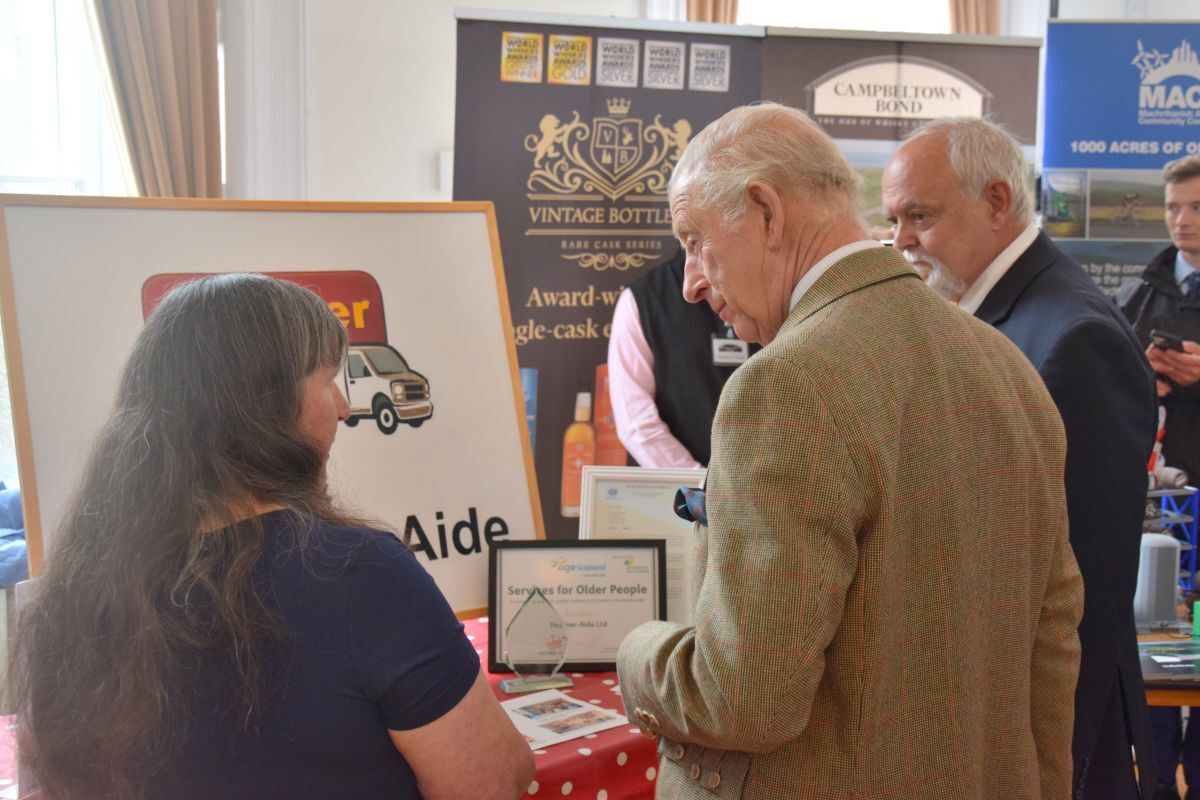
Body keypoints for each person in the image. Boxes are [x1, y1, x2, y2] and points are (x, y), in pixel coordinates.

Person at [615, 102, 1083, 799]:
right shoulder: (1005, 364)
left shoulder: (781, 387)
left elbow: (743, 698)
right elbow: (1051, 647)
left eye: (695, 239)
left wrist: (634, 652)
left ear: (765, 212)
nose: (689, 281)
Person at [9, 275, 534, 800]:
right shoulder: (362, 575)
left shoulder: (70, 594)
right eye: (329, 379)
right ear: (267, 405)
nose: (345, 407)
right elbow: (493, 783)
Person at [882, 117, 1158, 800]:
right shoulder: (990, 314)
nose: (901, 242)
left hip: (1047, 740)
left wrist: (1048, 762)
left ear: (998, 202)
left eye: (919, 216)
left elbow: (1085, 579)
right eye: (892, 219)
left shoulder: (1073, 337)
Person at [1117, 154, 1200, 800]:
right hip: (1150, 510)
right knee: (1148, 652)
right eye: (1173, 207)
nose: (1182, 221)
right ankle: (1154, 780)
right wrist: (1142, 368)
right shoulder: (1141, 289)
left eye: (1196, 208)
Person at [607, 245, 754, 468]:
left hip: (773, 489)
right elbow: (637, 424)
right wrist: (702, 487)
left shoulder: (766, 287)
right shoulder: (641, 301)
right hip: (685, 493)